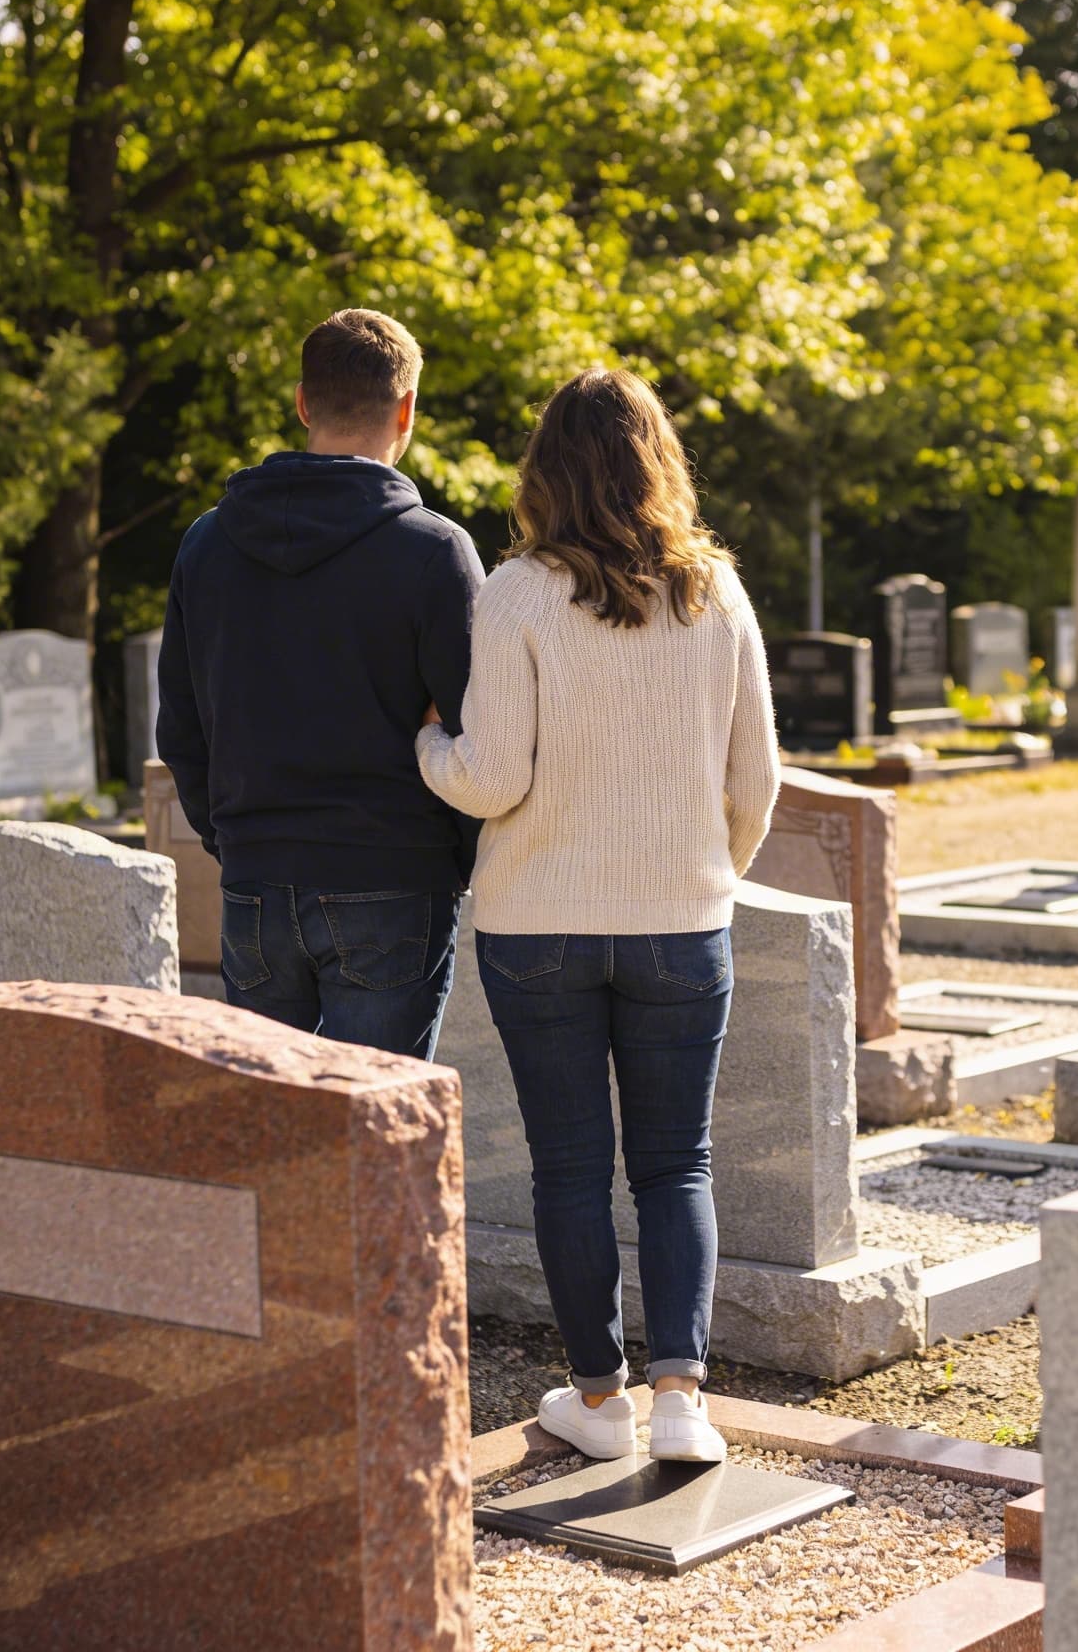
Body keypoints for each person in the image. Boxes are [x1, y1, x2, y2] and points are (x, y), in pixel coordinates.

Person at [417, 368, 779, 1466]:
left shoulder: (519, 591)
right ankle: (682, 1400)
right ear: (657, 460)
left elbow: (488, 779)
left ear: (546, 469)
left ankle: (598, 1399)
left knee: (569, 1166)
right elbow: (756, 778)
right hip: (682, 921)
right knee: (677, 1161)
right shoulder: (715, 589)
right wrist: (705, 873)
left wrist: (427, 744)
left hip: (539, 928)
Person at [156, 308, 482, 1060]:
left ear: (303, 402)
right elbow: (478, 734)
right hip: (394, 881)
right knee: (379, 1142)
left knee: (277, 1143)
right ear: (407, 411)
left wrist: (236, 840)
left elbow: (181, 728)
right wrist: (453, 866)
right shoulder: (435, 552)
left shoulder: (206, 546)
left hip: (255, 884)